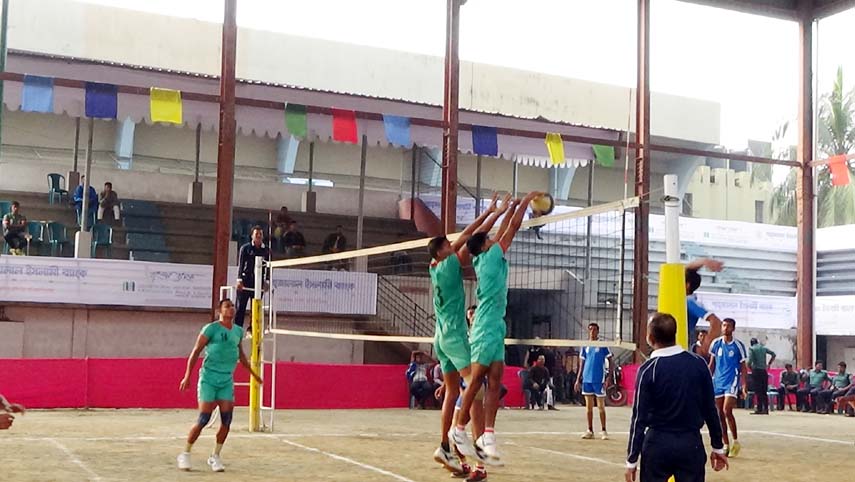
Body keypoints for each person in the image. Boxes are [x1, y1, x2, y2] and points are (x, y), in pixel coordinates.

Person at [451, 191, 542, 465]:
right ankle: (458, 429)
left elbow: (502, 230)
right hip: (484, 326)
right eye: (490, 239)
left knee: (495, 381)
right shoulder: (489, 257)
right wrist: (525, 203)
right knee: (477, 380)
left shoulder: (485, 256)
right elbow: (510, 228)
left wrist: (509, 207)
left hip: (496, 325)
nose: (494, 239)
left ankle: (488, 433)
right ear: (485, 247)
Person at [427, 193, 502, 473]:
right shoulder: (446, 264)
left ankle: (445, 448)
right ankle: (479, 460)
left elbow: (469, 240)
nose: (452, 244)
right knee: (476, 393)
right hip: (456, 337)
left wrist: (491, 214)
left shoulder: (433, 267)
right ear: (441, 252)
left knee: (451, 391)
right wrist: (492, 212)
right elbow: (471, 235)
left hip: (440, 337)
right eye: (447, 244)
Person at [625, 312, 727, 482]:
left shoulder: (648, 370)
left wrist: (632, 459)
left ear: (650, 337)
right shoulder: (698, 364)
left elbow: (639, 419)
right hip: (690, 443)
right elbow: (710, 409)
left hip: (657, 444)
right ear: (675, 333)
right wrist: (718, 446)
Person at [177, 299, 263, 472]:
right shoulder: (211, 329)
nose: (231, 309)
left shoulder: (238, 331)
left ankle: (215, 456)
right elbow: (195, 351)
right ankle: (185, 454)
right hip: (209, 378)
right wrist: (187, 376)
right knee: (203, 419)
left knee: (227, 420)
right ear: (219, 311)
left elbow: (242, 357)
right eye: (227, 306)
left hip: (226, 381)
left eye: (233, 306)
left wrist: (254, 375)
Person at [708, 318, 748, 458]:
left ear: (733, 329)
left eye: (728, 326)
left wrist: (744, 386)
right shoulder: (716, 344)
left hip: (732, 381)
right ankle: (725, 444)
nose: (725, 328)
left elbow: (743, 368)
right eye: (724, 325)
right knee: (719, 414)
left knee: (726, 410)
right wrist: (705, 380)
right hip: (717, 382)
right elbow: (711, 365)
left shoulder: (738, 346)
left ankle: (735, 441)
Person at [575, 322, 613, 440]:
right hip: (587, 379)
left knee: (601, 407)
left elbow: (611, 361)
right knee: (588, 407)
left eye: (594, 330)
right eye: (590, 329)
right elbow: (582, 363)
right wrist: (578, 379)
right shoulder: (585, 345)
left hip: (599, 379)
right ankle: (590, 430)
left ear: (598, 331)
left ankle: (603, 430)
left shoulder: (602, 345)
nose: (592, 332)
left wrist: (608, 377)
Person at [685, 258, 725, 356]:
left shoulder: (689, 302)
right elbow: (686, 269)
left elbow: (716, 322)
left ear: (687, 285)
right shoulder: (682, 300)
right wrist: (704, 262)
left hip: (683, 348)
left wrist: (706, 345)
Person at [235, 226, 270, 330]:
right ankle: (237, 330)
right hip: (245, 282)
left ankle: (252, 329)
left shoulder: (267, 250)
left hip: (258, 283)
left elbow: (268, 267)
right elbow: (241, 265)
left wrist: (267, 281)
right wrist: (239, 280)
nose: (259, 236)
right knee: (240, 307)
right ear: (252, 236)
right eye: (256, 234)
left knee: (256, 308)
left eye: (260, 234)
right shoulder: (245, 248)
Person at [748, 337, 776, 415]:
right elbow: (773, 354)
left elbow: (749, 361)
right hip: (764, 371)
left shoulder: (752, 349)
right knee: (764, 391)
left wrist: (750, 368)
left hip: (756, 371)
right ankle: (766, 409)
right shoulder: (763, 348)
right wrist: (769, 363)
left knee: (758, 391)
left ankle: (759, 408)